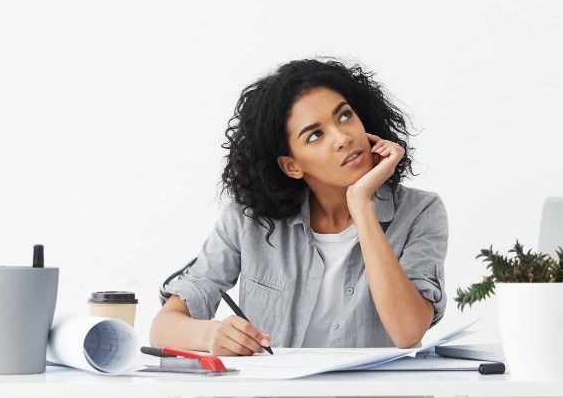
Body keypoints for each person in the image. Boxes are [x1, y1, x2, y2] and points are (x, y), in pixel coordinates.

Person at [149, 58, 448, 355]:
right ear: (291, 165)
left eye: (344, 116)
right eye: (315, 135)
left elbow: (408, 332)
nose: (343, 137)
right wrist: (211, 335)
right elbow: (162, 328)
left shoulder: (420, 212)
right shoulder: (249, 221)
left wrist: (362, 205)